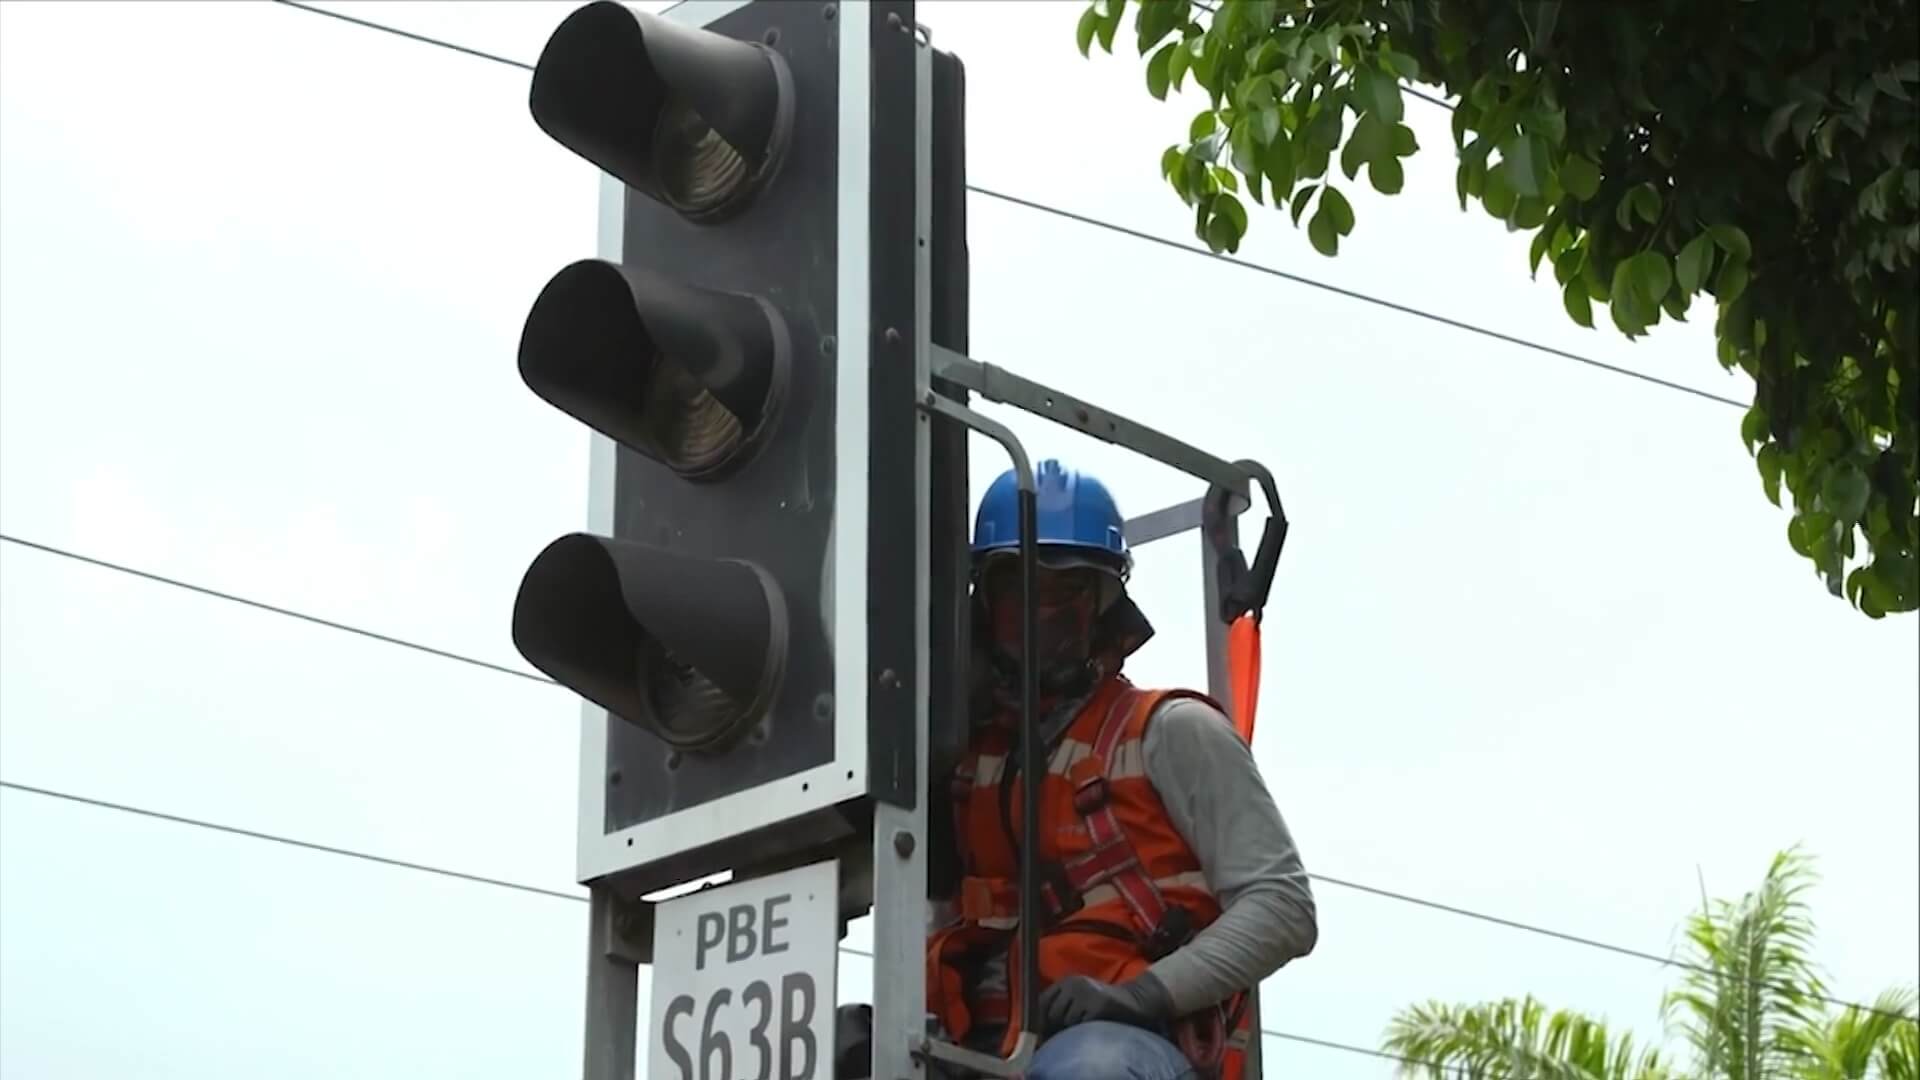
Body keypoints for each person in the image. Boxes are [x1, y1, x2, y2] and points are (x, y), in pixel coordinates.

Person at [922, 458, 1319, 1080]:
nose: (1040, 612)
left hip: (1131, 1044)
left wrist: (1141, 995)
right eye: (1017, 587)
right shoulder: (967, 762)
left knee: (1092, 1069)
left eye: (1066, 593)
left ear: (1104, 604)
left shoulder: (1170, 731)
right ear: (981, 604)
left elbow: (1283, 907)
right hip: (984, 1050)